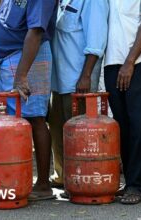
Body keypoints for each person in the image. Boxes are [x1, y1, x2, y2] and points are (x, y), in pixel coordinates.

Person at [0, 0, 57, 201]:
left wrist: (21, 75)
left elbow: (35, 31)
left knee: (35, 119)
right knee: (2, 120)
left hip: (27, 60)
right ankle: (7, 179)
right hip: (8, 60)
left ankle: (43, 184)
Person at [49, 0, 109, 188]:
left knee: (78, 136)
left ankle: (80, 179)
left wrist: (86, 76)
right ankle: (62, 176)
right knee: (58, 130)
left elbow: (96, 42)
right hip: (58, 81)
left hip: (77, 81)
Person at [104, 0, 141, 204]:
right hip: (112, 62)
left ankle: (137, 185)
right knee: (121, 125)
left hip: (138, 62)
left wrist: (129, 62)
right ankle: (129, 182)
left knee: (139, 124)